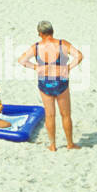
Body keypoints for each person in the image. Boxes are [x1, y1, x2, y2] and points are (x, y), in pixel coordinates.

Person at [19, 21, 83, 151]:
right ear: (52, 31)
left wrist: (36, 67)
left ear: (40, 33)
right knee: (65, 115)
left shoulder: (36, 47)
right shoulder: (62, 44)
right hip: (61, 81)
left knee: (50, 115)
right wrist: (69, 67)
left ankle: (53, 145)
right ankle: (70, 143)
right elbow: (79, 56)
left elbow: (22, 60)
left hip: (45, 82)